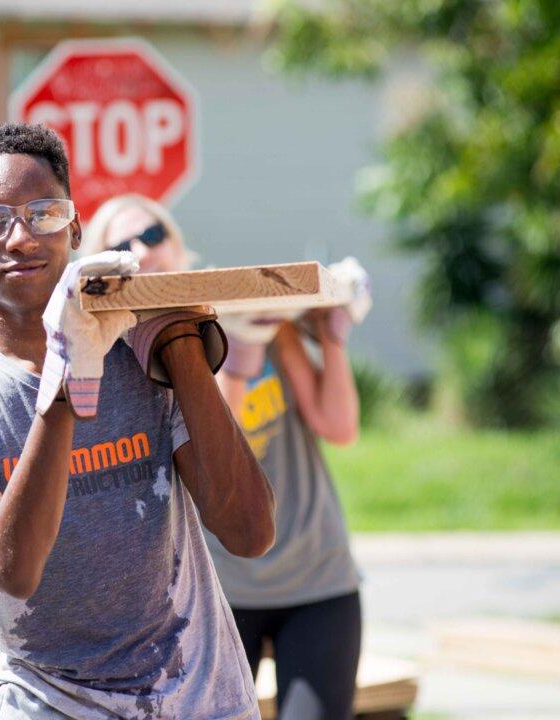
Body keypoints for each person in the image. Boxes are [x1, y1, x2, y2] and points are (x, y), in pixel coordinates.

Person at [0, 123, 275, 720]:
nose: (20, 238)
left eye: (43, 214)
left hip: (198, 698)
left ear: (74, 228)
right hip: (50, 701)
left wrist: (177, 340)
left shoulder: (141, 356)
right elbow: (12, 568)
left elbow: (248, 532)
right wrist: (69, 374)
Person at [84, 192, 371, 720]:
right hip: (218, 591)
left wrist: (333, 338)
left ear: (178, 245)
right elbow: (219, 463)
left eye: (152, 235)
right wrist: (238, 359)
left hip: (316, 575)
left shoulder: (247, 313)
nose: (142, 251)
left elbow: (340, 428)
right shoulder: (122, 360)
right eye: (121, 247)